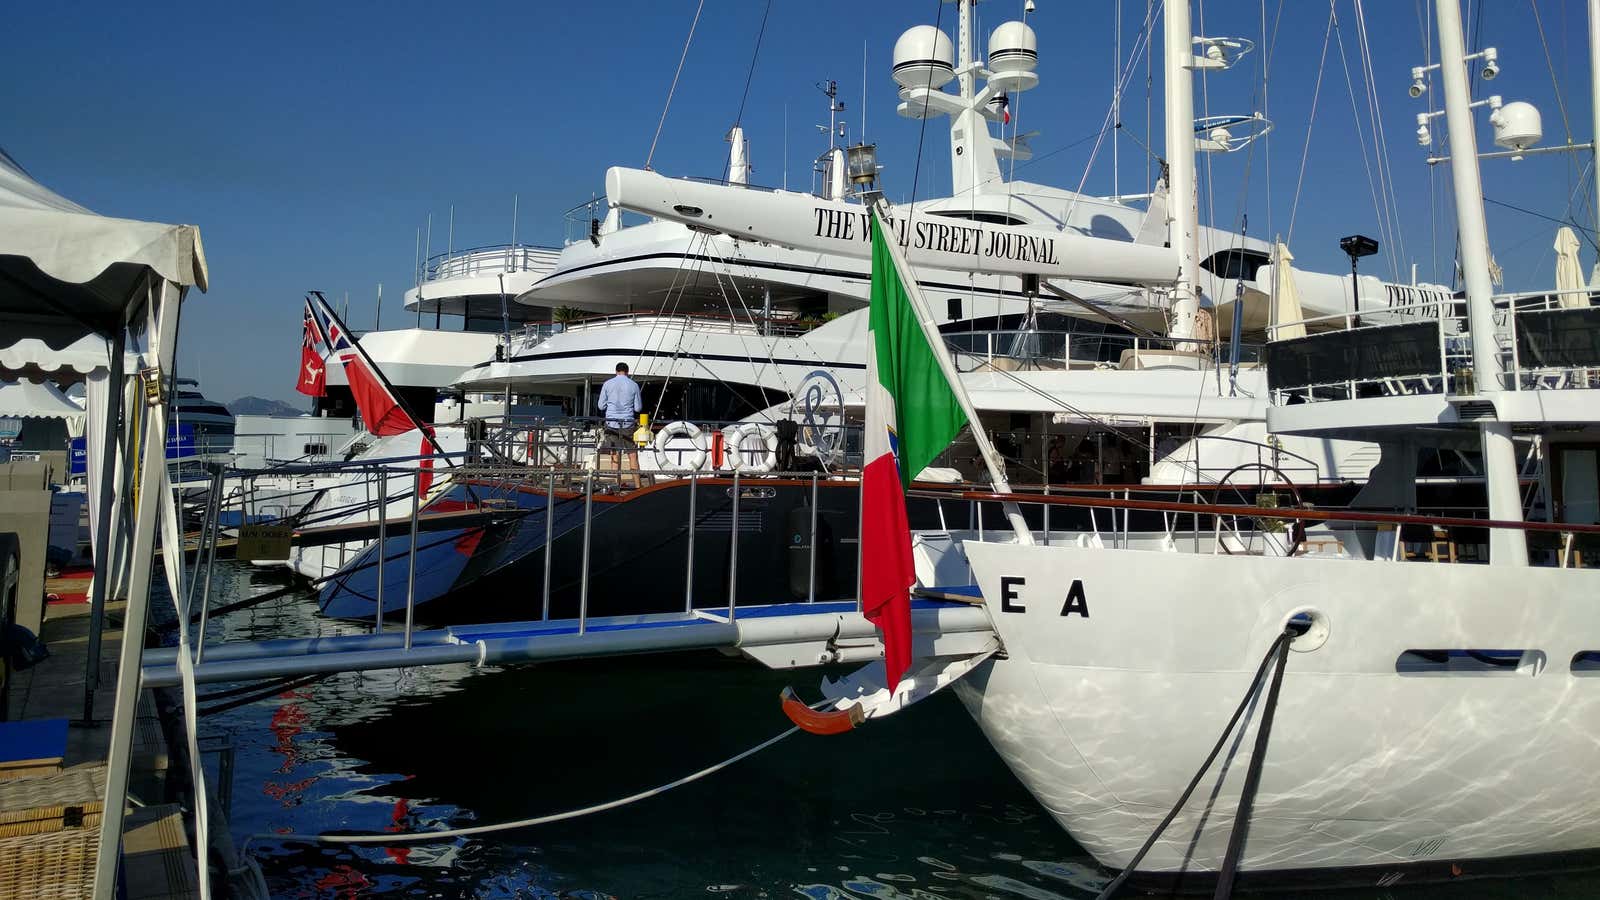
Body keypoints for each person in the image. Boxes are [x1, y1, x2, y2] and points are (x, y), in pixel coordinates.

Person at [597, 362, 641, 448]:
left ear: (616, 371)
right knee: (632, 454)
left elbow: (601, 406)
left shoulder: (607, 384)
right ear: (627, 372)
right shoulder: (634, 385)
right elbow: (638, 408)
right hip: (627, 423)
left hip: (611, 422)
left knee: (614, 452)